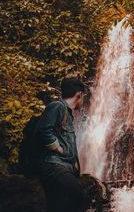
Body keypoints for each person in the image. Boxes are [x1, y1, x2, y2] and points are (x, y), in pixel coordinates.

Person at [36, 77, 89, 212]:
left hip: (63, 166)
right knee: (79, 198)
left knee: (59, 205)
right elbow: (43, 129)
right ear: (79, 94)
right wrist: (57, 148)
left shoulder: (68, 114)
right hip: (53, 165)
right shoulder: (57, 106)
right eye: (83, 96)